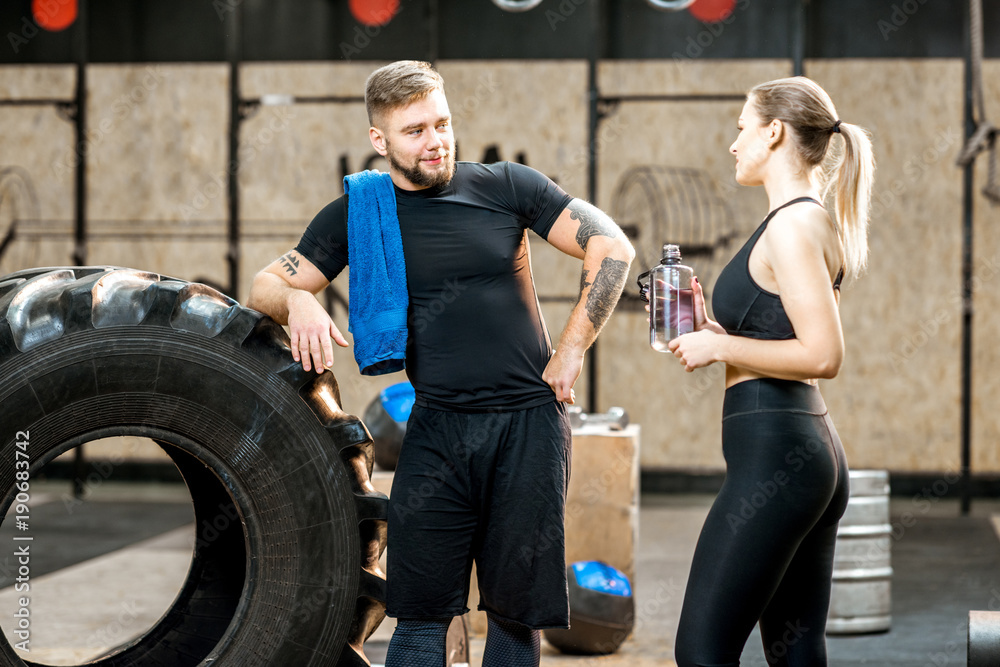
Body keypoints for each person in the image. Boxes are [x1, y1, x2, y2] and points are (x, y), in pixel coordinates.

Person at [247, 60, 634, 667]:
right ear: (380, 141)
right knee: (421, 615)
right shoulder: (361, 212)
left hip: (527, 428)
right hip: (437, 429)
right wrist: (299, 299)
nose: (436, 141)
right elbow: (264, 283)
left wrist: (572, 348)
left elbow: (612, 246)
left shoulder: (507, 186)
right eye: (415, 131)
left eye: (442, 124)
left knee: (514, 620)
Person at [667, 76, 875, 667]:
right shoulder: (800, 219)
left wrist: (721, 349)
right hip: (802, 450)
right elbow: (780, 331)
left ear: (775, 131)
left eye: (742, 128)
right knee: (795, 648)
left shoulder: (792, 226)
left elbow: (821, 355)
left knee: (701, 653)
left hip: (779, 453)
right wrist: (717, 336)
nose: (734, 144)